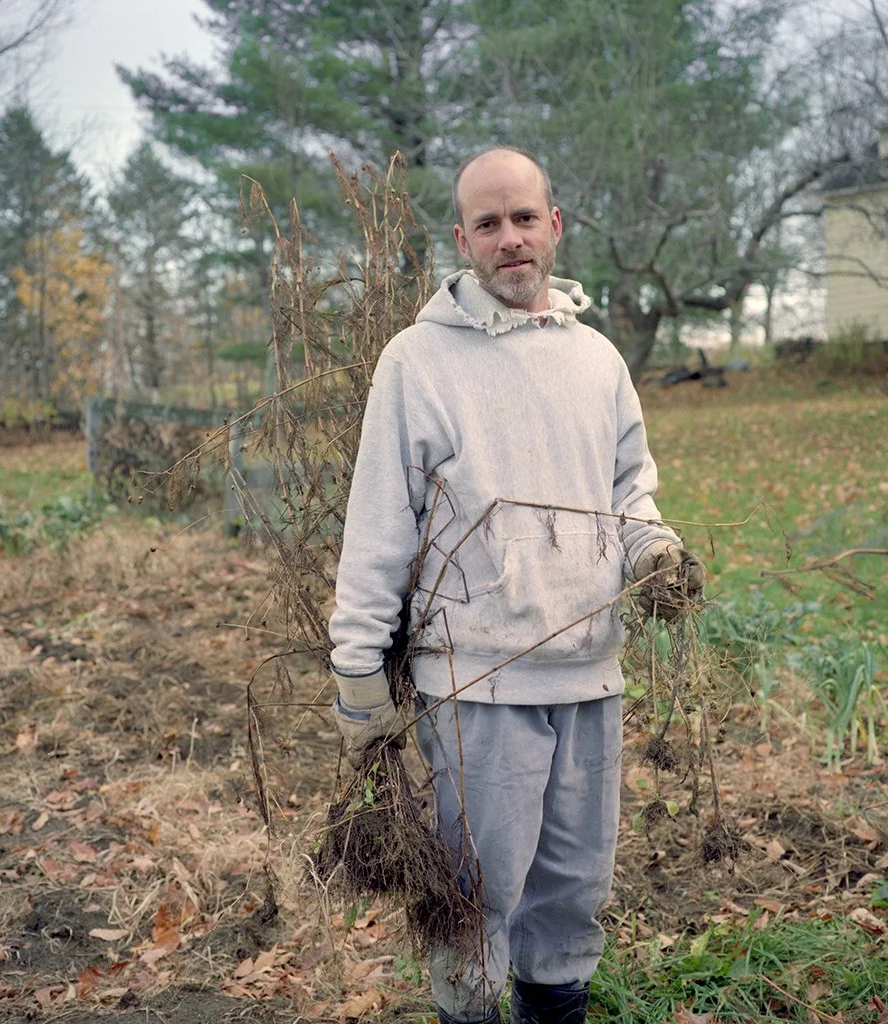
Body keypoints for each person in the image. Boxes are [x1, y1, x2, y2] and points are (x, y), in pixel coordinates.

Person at [328, 147, 705, 1024]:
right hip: (475, 684)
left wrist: (654, 553)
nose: (509, 239)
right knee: (477, 896)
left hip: (589, 672)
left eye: (524, 218)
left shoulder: (598, 360)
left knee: (573, 890)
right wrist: (357, 668)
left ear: (555, 226)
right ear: (462, 239)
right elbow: (380, 521)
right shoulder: (416, 363)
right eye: (488, 225)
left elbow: (627, 492)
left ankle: (555, 1007)